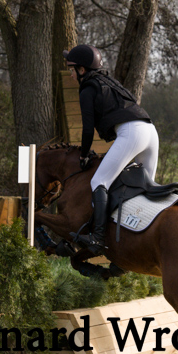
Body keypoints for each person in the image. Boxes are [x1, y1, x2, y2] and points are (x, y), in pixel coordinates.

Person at [63, 44, 159, 256]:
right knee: (145, 189)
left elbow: (87, 129)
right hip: (150, 131)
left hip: (132, 133)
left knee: (99, 182)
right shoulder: (109, 81)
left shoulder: (87, 89)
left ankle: (98, 239)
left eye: (72, 70)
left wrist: (83, 155)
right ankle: (138, 246)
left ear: (82, 70)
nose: (71, 74)